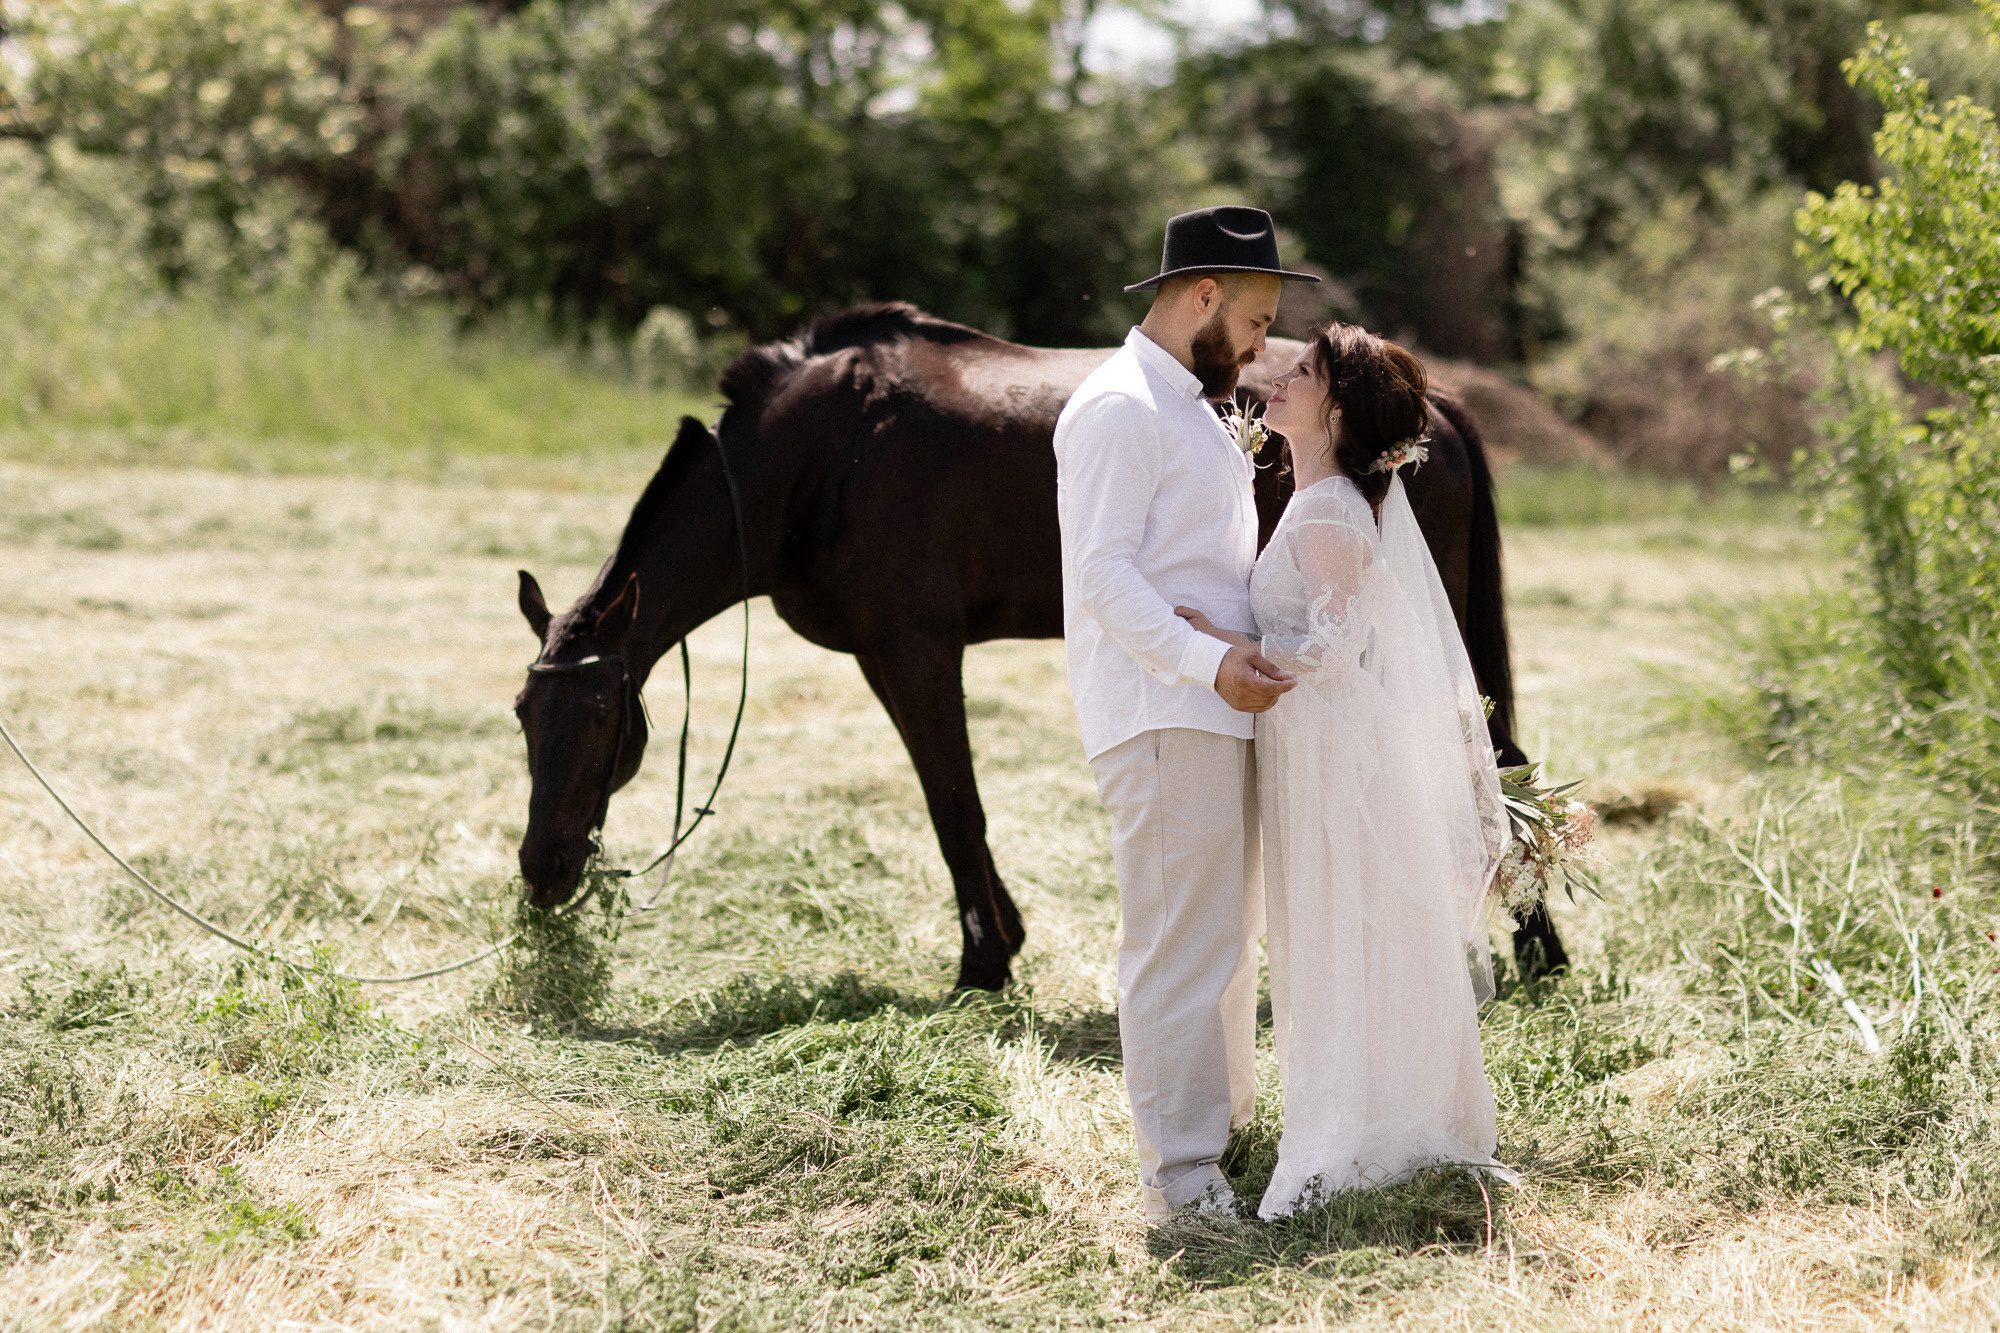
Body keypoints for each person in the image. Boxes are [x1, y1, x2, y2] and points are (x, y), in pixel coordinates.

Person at [1176, 324, 1514, 1218]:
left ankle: (1351, 1136)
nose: (1277, 379)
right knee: (1336, 929)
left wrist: (1221, 642)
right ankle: (1367, 1110)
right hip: (1311, 742)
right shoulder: (1316, 496)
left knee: (1338, 929)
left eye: (1303, 373)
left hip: (1331, 748)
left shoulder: (1328, 511)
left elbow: (1331, 640)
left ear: (1335, 410)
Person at [1053, 205, 1318, 1223]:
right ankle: (1180, 1179)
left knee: (1222, 938)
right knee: (1175, 942)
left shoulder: (1188, 408)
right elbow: (1103, 579)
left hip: (1212, 706)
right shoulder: (1118, 407)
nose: (1260, 347)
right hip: (1163, 713)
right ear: (1202, 296)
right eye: (1254, 321)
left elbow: (1197, 569)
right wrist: (1209, 661)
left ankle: (1222, 1132)